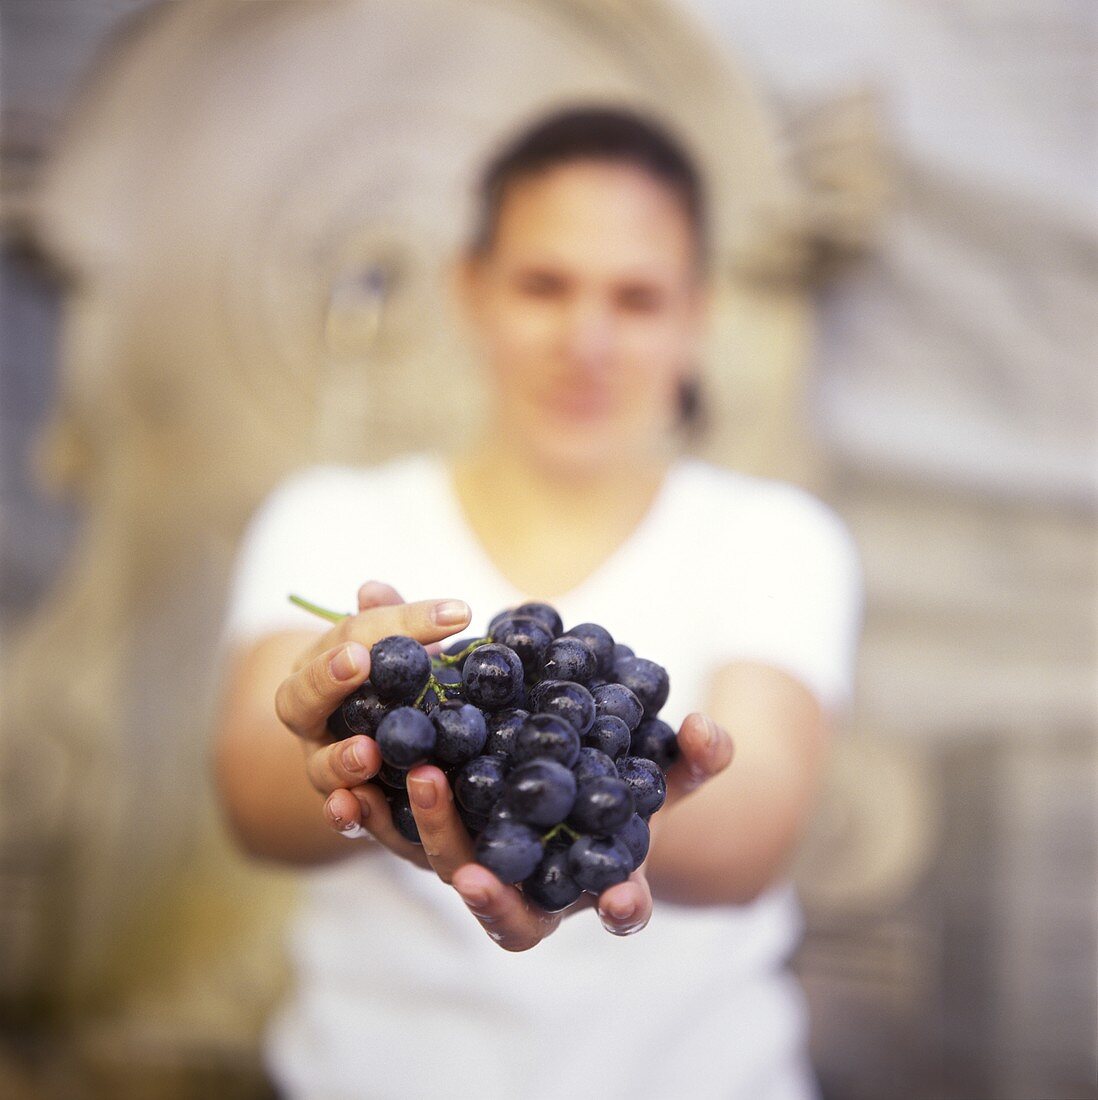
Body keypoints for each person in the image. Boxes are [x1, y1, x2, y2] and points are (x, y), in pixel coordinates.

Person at [215, 106, 861, 1100]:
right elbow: (257, 800)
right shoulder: (331, 516)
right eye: (544, 284)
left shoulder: (776, 535)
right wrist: (358, 747)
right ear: (470, 290)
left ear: (699, 314)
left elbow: (754, 828)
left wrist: (550, 816)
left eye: (637, 298)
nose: (587, 339)